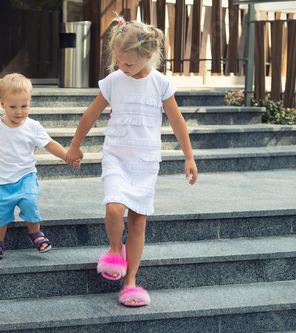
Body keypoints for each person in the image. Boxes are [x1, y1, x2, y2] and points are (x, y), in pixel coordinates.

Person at [66, 17, 198, 306]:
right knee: (114, 207)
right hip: (116, 156)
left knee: (138, 222)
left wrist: (188, 156)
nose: (122, 68)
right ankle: (115, 251)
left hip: (145, 161)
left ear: (148, 56)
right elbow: (90, 114)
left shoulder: (161, 84)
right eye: (119, 61)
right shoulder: (114, 81)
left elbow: (177, 121)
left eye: (128, 63)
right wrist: (75, 145)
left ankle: (131, 282)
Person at [0, 73, 78, 259]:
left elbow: (50, 144)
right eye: (13, 106)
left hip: (26, 176)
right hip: (1, 180)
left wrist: (67, 156)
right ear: (2, 104)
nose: (19, 111)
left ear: (30, 102)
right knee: (0, 214)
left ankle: (36, 235)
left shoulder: (33, 126)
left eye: (24, 106)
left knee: (30, 203)